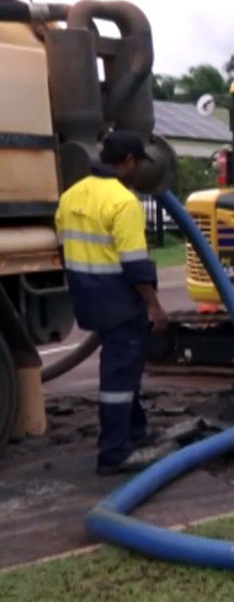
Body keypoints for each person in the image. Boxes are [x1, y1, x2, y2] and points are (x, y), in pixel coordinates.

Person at [54, 130, 169, 475]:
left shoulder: (71, 195)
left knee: (125, 363)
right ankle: (113, 451)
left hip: (87, 295)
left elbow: (63, 247)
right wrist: (154, 306)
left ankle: (135, 431)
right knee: (119, 373)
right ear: (129, 161)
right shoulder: (123, 201)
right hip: (120, 298)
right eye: (139, 164)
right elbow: (135, 265)